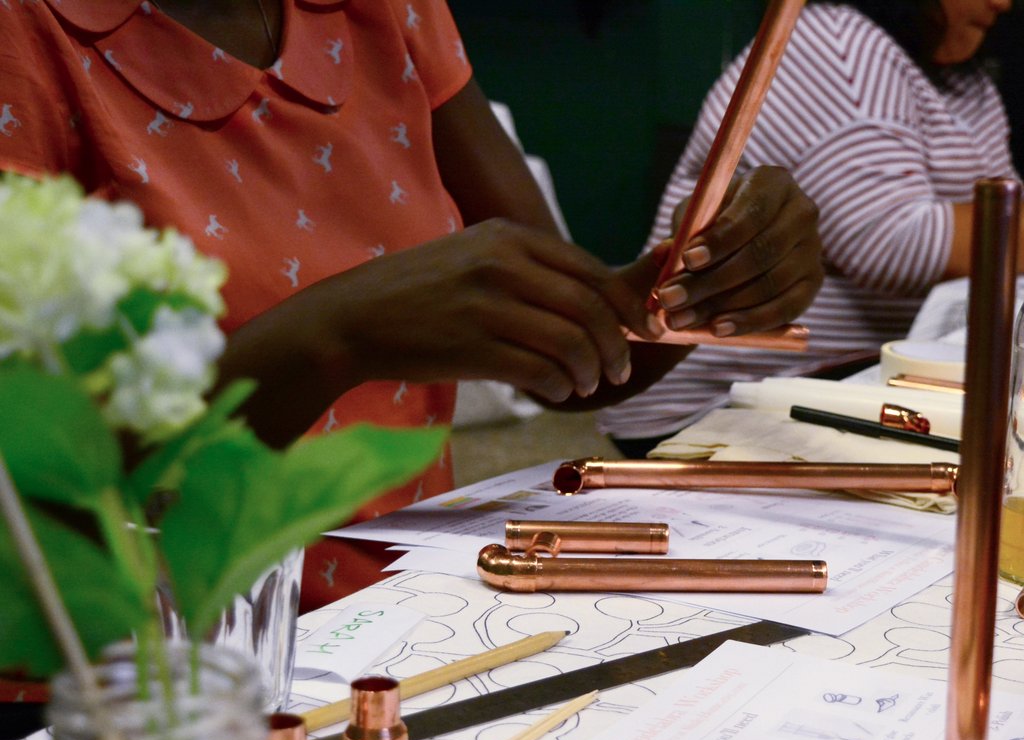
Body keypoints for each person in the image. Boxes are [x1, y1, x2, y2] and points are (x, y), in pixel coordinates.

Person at [0, 0, 822, 610]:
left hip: (398, 616)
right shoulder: (29, 38)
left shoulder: (385, 10)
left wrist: (701, 280)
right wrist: (334, 337)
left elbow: (586, 350)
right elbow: (45, 493)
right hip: (139, 677)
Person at [600, 0, 1020, 457]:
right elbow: (897, 243)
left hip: (860, 377)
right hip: (730, 394)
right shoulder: (840, 47)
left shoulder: (967, 81)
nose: (1003, 2)